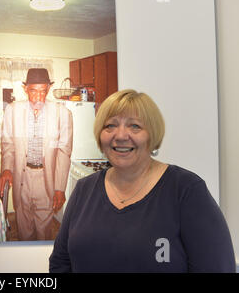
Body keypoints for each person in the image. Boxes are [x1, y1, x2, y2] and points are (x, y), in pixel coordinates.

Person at [49, 89, 236, 272]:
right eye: (110, 126)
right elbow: (61, 262)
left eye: (135, 126)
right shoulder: (84, 189)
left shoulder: (186, 190)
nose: (121, 136)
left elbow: (217, 267)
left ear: (152, 135)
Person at [0, 68, 73, 241]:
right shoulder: (12, 110)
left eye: (43, 91)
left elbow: (64, 152)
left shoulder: (63, 113)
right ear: (26, 89)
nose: (39, 97)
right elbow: (8, 144)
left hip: (45, 179)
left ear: (48, 89)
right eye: (34, 91)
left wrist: (60, 188)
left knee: (44, 232)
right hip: (21, 176)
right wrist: (7, 169)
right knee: (24, 228)